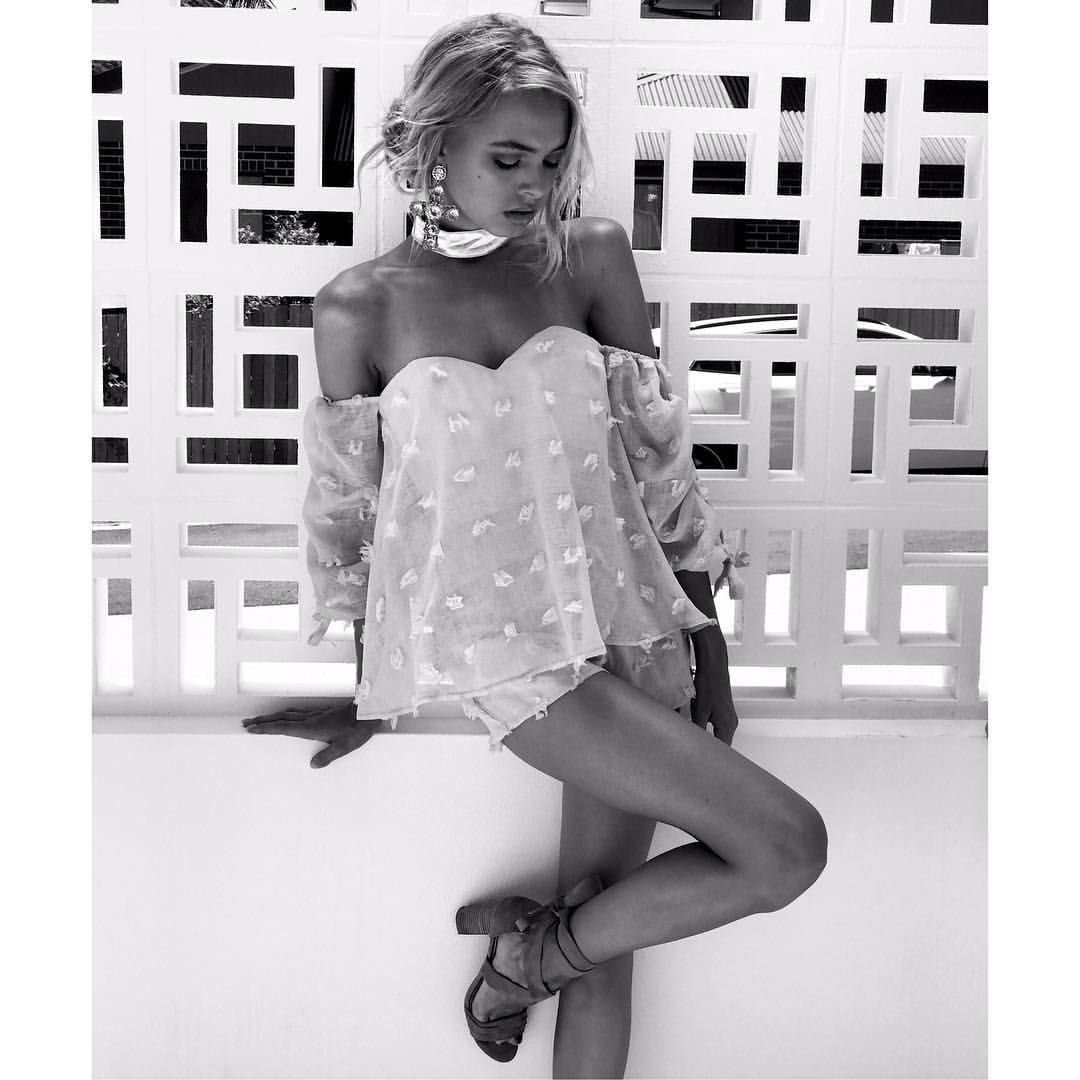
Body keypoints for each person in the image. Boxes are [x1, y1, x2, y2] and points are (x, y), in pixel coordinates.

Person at [245, 13, 825, 1077]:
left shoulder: (589, 256)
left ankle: (538, 949)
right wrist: (366, 690)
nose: (534, 185)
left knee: (603, 935)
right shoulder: (357, 308)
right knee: (789, 848)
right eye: (507, 158)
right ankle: (527, 956)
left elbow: (659, 465)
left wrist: (710, 651)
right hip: (507, 654)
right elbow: (350, 516)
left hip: (633, 620)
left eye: (551, 161)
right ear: (435, 146)